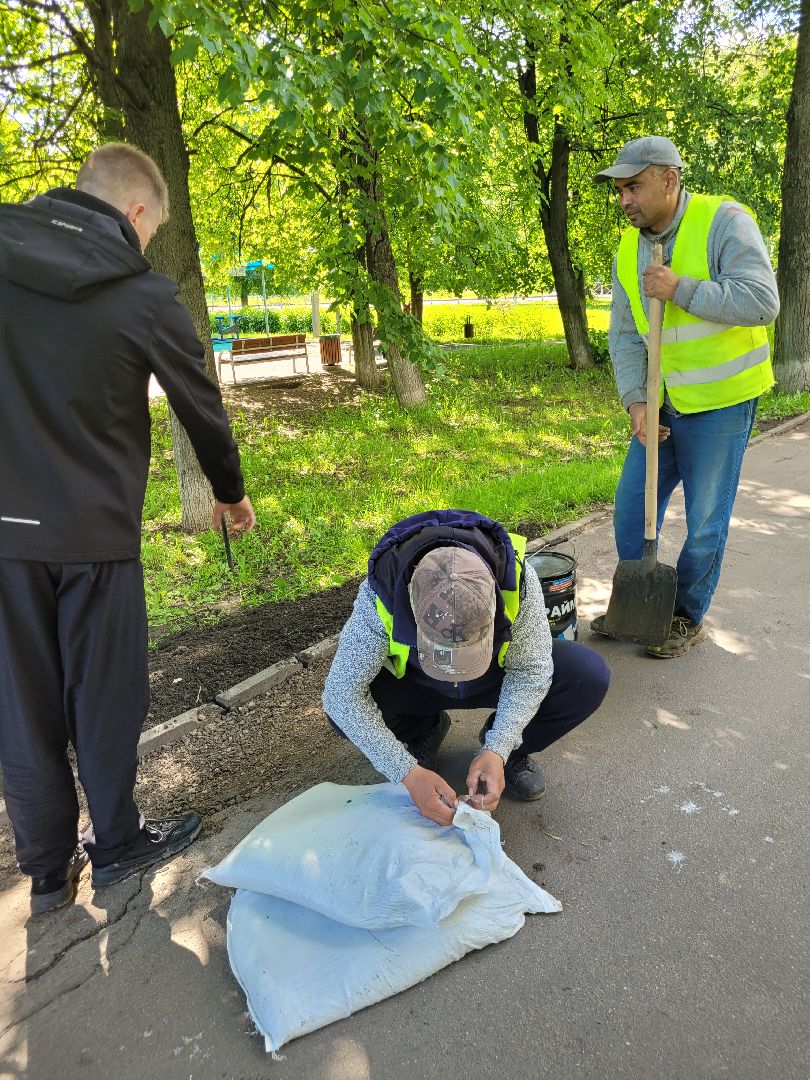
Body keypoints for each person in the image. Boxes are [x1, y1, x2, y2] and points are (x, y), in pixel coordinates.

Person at [0, 143, 256, 914]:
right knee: (105, 695)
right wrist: (229, 492)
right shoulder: (142, 294)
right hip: (93, 533)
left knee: (21, 700)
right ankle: (114, 842)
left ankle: (45, 868)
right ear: (136, 213)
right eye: (149, 232)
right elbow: (198, 402)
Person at [591, 136, 779, 658]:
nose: (624, 199)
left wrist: (682, 290)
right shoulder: (629, 249)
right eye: (619, 190)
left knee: (704, 525)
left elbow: (763, 302)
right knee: (631, 509)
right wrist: (636, 401)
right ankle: (639, 601)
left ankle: (684, 617)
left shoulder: (724, 221)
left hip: (721, 403)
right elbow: (626, 335)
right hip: (661, 403)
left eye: (634, 186)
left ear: (669, 179)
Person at [323, 510, 610, 825]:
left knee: (586, 675)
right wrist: (406, 772)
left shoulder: (516, 577)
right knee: (342, 711)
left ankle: (508, 752)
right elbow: (341, 694)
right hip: (418, 683)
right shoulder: (382, 589)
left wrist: (499, 746)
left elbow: (531, 669)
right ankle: (423, 730)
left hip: (492, 678)